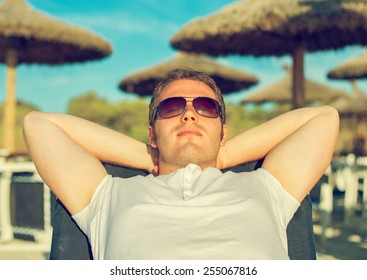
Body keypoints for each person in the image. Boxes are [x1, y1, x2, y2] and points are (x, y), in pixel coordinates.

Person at [23, 69, 339, 260]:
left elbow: (323, 118)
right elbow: (39, 125)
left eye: (205, 107)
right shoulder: (106, 195)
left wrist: (221, 156)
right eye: (173, 107)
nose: (189, 115)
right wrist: (156, 156)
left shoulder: (265, 184)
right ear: (152, 132)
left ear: (223, 131)